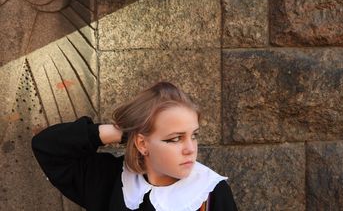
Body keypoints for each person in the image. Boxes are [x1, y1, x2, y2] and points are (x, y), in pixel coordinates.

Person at [32, 81, 238, 210]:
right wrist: (121, 132)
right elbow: (48, 146)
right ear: (142, 143)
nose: (190, 149)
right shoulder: (112, 179)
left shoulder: (210, 192)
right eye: (175, 138)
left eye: (194, 135)